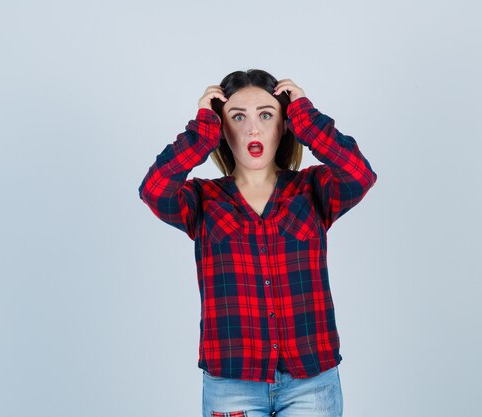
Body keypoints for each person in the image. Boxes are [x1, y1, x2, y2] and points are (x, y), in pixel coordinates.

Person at [138, 69, 377, 417]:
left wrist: (306, 119)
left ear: (284, 125)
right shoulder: (202, 200)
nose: (253, 129)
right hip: (232, 385)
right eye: (237, 117)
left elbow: (359, 174)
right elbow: (154, 189)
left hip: (311, 382)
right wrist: (201, 130)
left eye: (266, 115)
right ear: (222, 129)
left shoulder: (312, 190)